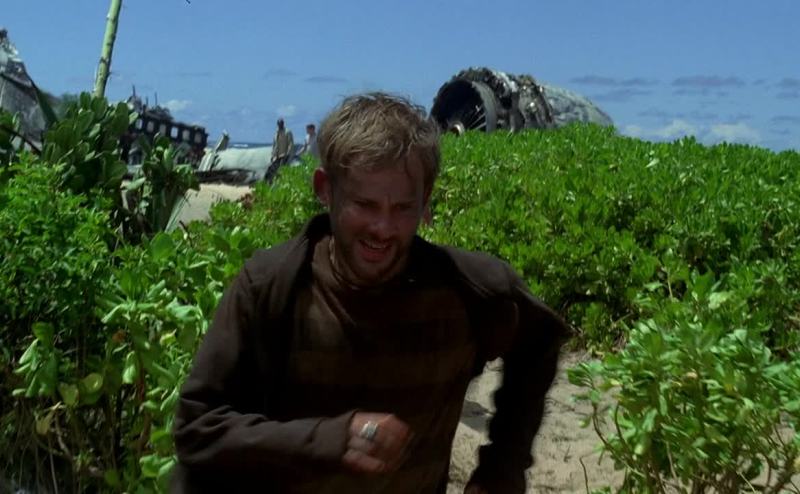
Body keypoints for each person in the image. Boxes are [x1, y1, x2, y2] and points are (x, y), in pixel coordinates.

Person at [172, 92, 569, 493]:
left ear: (426, 201)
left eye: (403, 208)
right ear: (325, 189)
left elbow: (539, 342)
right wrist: (330, 439)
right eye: (365, 204)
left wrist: (503, 469)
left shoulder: (466, 290)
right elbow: (197, 428)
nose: (383, 228)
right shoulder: (272, 286)